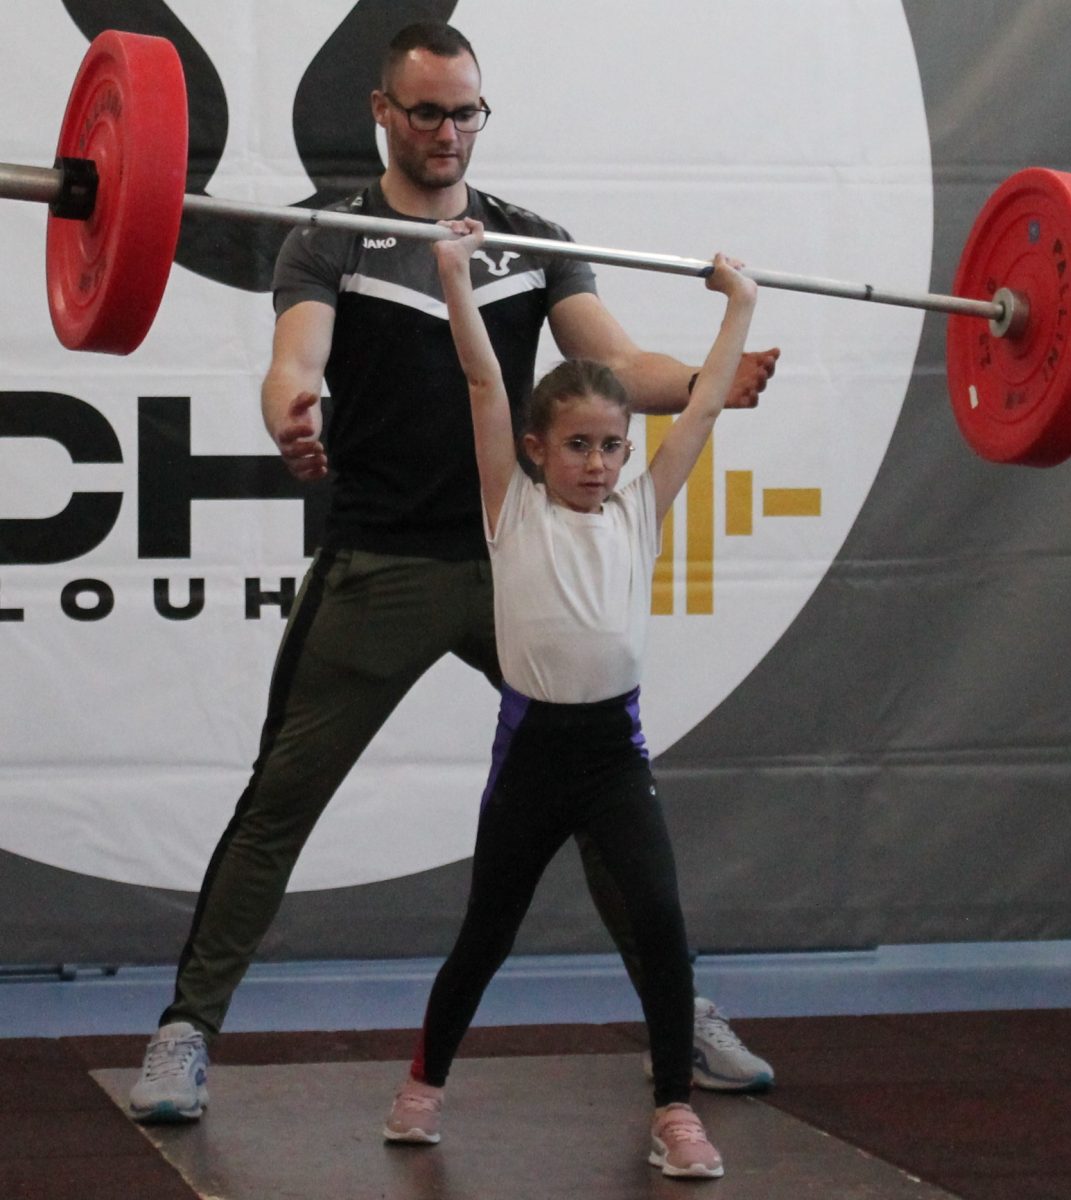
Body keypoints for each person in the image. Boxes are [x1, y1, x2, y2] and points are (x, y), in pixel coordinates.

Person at [128, 20, 779, 1125]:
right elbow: (295, 360)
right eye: (426, 112)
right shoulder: (329, 238)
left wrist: (715, 378)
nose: (447, 132)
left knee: (600, 791)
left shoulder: (530, 241)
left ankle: (680, 1018)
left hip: (516, 567)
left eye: (464, 112)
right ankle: (186, 1032)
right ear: (383, 112)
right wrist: (289, 410)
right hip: (379, 567)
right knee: (280, 801)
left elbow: (620, 365)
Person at [382, 221, 758, 1180]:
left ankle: (674, 1109)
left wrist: (740, 306)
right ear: (536, 449)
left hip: (612, 759)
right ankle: (422, 1084)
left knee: (661, 922)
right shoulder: (510, 507)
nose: (596, 463)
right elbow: (481, 381)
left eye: (611, 446)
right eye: (578, 446)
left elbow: (704, 406)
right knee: (486, 935)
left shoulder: (639, 510)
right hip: (533, 757)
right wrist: (453, 274)